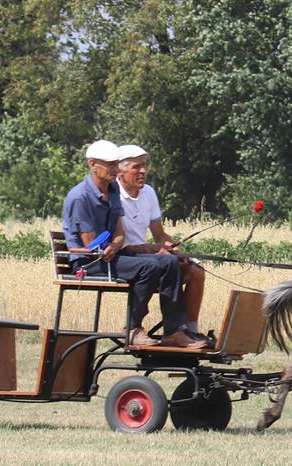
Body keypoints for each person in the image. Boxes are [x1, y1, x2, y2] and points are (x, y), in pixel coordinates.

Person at [61, 139, 207, 349]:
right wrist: (112, 248)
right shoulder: (80, 197)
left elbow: (119, 232)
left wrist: (115, 245)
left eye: (116, 163)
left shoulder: (112, 190)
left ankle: (174, 332)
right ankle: (132, 328)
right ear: (93, 164)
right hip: (88, 263)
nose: (115, 169)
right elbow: (91, 245)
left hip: (110, 256)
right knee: (151, 266)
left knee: (169, 262)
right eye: (110, 164)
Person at [114, 145, 207, 338]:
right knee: (166, 262)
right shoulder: (113, 195)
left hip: (148, 256)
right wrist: (156, 250)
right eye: (136, 167)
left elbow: (159, 234)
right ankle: (165, 330)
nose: (143, 171)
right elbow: (120, 244)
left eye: (144, 165)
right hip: (126, 256)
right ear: (120, 171)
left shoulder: (148, 193)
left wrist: (175, 249)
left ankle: (190, 330)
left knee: (197, 270)